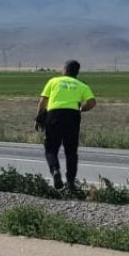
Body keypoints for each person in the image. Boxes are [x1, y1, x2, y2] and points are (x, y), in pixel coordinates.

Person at [36, 59, 96, 192]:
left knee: (51, 149)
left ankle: (55, 170)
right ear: (77, 72)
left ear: (65, 69)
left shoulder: (53, 81)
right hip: (72, 117)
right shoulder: (81, 85)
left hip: (54, 116)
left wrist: (39, 118)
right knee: (71, 152)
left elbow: (42, 101)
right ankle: (70, 184)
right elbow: (92, 103)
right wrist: (81, 109)